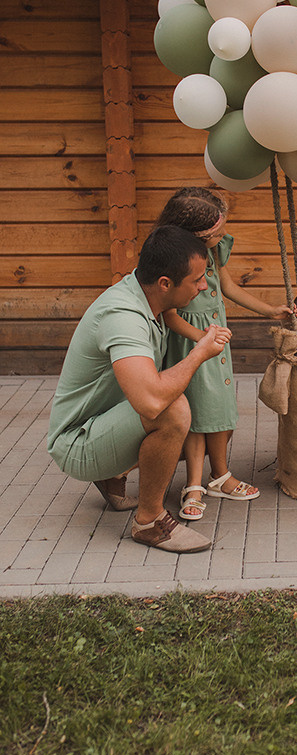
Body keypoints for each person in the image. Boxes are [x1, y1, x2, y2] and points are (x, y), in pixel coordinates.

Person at [47, 225, 230, 553]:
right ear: (164, 283)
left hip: (102, 423)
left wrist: (199, 336)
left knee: (169, 401)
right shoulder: (123, 316)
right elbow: (149, 402)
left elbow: (172, 316)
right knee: (172, 410)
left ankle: (112, 476)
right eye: (197, 279)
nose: (204, 286)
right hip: (76, 443)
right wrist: (200, 353)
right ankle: (149, 522)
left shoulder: (144, 293)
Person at [156, 187, 293, 520]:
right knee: (197, 413)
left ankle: (218, 476)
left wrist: (268, 311)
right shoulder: (173, 262)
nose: (224, 235)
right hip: (192, 345)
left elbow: (228, 288)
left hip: (213, 342)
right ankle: (194, 484)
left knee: (217, 409)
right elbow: (169, 314)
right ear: (197, 237)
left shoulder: (213, 254)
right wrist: (201, 337)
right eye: (218, 232)